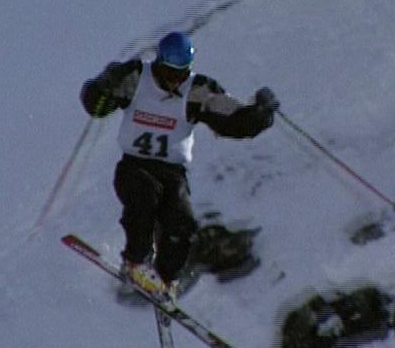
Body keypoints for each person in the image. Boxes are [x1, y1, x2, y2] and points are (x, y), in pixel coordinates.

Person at [80, 31, 279, 299]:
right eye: (170, 73)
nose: (176, 81)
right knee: (144, 197)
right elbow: (97, 107)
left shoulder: (196, 90)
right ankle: (136, 262)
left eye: (182, 74)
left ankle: (166, 280)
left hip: (172, 172)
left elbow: (232, 120)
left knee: (181, 224)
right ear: (159, 64)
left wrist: (260, 114)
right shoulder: (137, 78)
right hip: (135, 165)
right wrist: (102, 87)